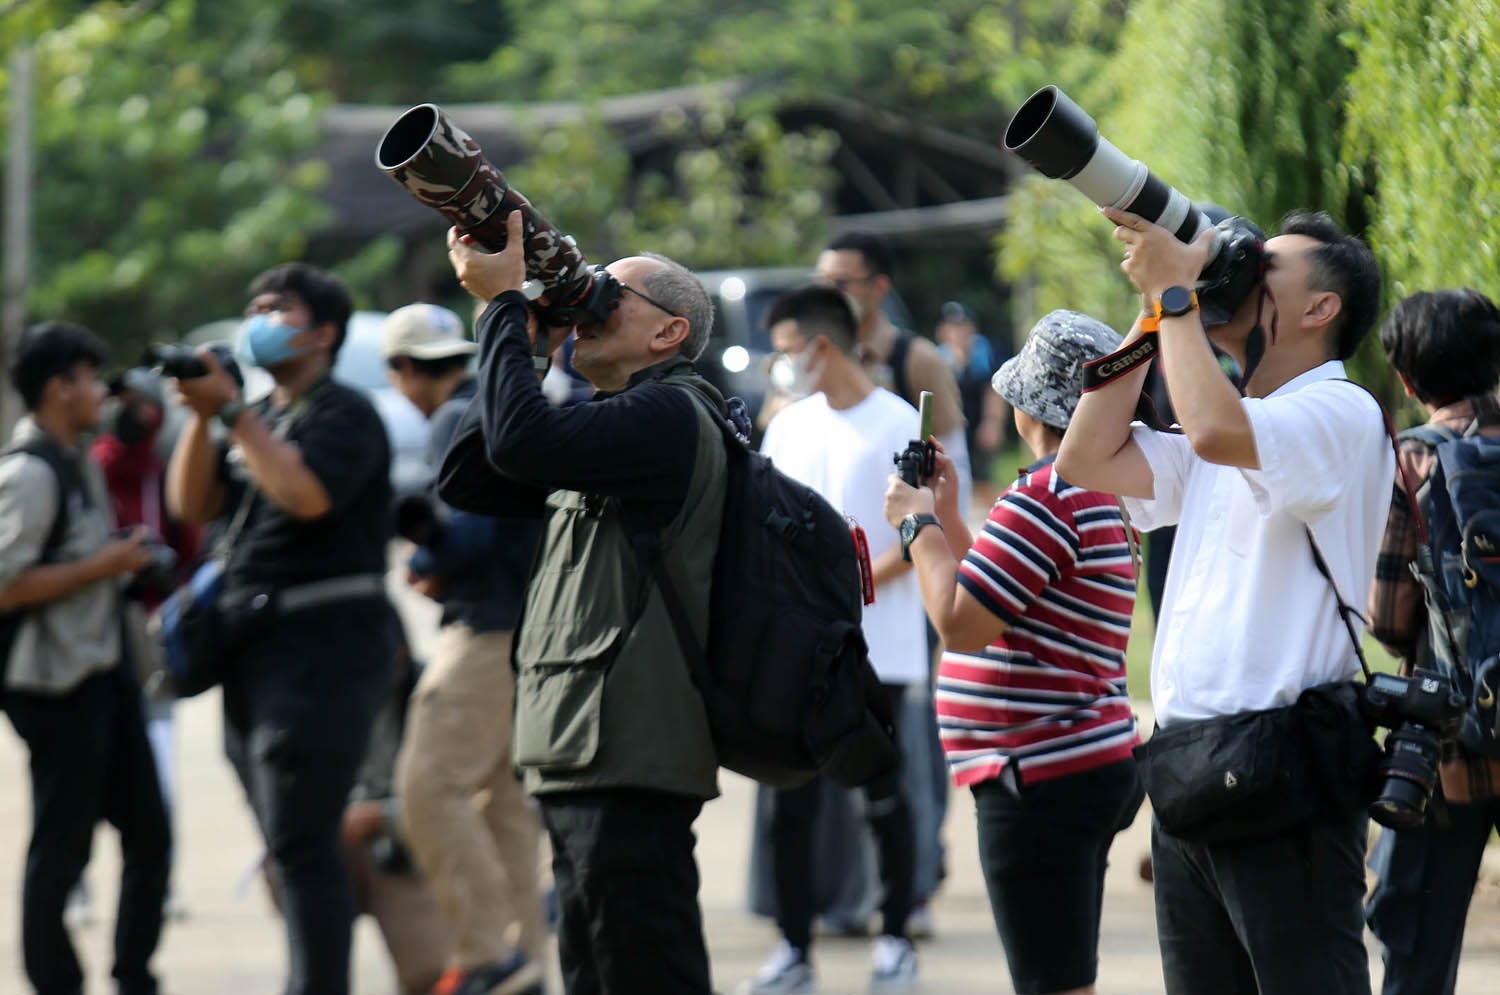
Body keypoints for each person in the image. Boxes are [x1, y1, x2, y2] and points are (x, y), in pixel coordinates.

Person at [1056, 207, 1387, 995]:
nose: (1238, 266)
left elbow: (1211, 429)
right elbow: (1086, 456)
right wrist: (1151, 309)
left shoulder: (1340, 413)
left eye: (1267, 266)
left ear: (1320, 309)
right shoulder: (1237, 417)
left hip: (1284, 776)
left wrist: (1176, 293)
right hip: (1191, 773)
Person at [438, 210, 726, 995]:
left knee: (642, 966)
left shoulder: (671, 415)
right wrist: (521, 333)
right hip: (583, 748)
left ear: (668, 333)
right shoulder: (610, 424)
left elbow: (520, 445)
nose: (587, 300)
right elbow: (470, 475)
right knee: (597, 968)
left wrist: (502, 308)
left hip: (630, 749)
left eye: (611, 294)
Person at [885, 309, 1144, 995]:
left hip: (1035, 772)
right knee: (1064, 972)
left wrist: (917, 525)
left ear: (1028, 403)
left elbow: (962, 623)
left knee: (1049, 983)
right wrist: (952, 519)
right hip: (1080, 757)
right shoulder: (1099, 491)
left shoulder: (1045, 495)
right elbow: (1008, 602)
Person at [165, 263, 395, 995]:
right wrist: (207, 415)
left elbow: (304, 494)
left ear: (324, 332)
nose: (258, 318)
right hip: (254, 657)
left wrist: (233, 413)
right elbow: (193, 504)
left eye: (278, 308)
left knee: (303, 844)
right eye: (253, 305)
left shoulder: (344, 412)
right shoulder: (264, 416)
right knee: (287, 843)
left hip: (321, 658)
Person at [741, 285, 922, 993]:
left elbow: (917, 538)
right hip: (795, 645)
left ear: (820, 346)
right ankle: (792, 945)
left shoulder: (900, 423)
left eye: (784, 351)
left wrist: (844, 586)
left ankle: (897, 938)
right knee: (791, 801)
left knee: (882, 794)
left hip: (878, 646)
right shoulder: (789, 427)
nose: (777, 368)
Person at [0, 320, 171, 995]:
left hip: (105, 674)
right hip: (55, 684)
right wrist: (108, 561)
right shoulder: (29, 473)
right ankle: (56, 983)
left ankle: (134, 975)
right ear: (56, 387)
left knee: (150, 837)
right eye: (88, 379)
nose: (100, 390)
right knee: (61, 848)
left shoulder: (77, 457)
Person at [381, 301, 547, 995]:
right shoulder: (509, 402)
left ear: (403, 371)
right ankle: (527, 960)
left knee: (428, 788)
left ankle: (487, 954)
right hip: (533, 631)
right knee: (505, 803)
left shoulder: (456, 417)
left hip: (484, 632)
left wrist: (426, 550)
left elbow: (470, 538)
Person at [817, 230, 954, 935]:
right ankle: (844, 891)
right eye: (823, 280)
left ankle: (916, 887)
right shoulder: (807, 369)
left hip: (904, 583)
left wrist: (883, 566)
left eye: (844, 280)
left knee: (911, 745)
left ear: (876, 286)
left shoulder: (915, 360)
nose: (831, 293)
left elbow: (949, 482)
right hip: (834, 598)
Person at [1364, 288, 1500, 995]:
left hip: (1450, 744)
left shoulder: (1413, 461)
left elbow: (1388, 618)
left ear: (1409, 381)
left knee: (1420, 946)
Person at [338, 614, 454, 995]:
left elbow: (466, 800)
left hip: (410, 847)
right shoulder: (327, 694)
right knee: (292, 860)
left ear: (400, 654)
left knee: (430, 973)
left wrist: (382, 817)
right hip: (343, 843)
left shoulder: (439, 696)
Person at [934, 300, 1008, 494]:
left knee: (982, 480)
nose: (958, 332)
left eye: (962, 326)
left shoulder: (984, 353)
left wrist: (993, 423)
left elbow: (993, 391)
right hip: (950, 428)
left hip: (978, 427)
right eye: (952, 326)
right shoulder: (937, 359)